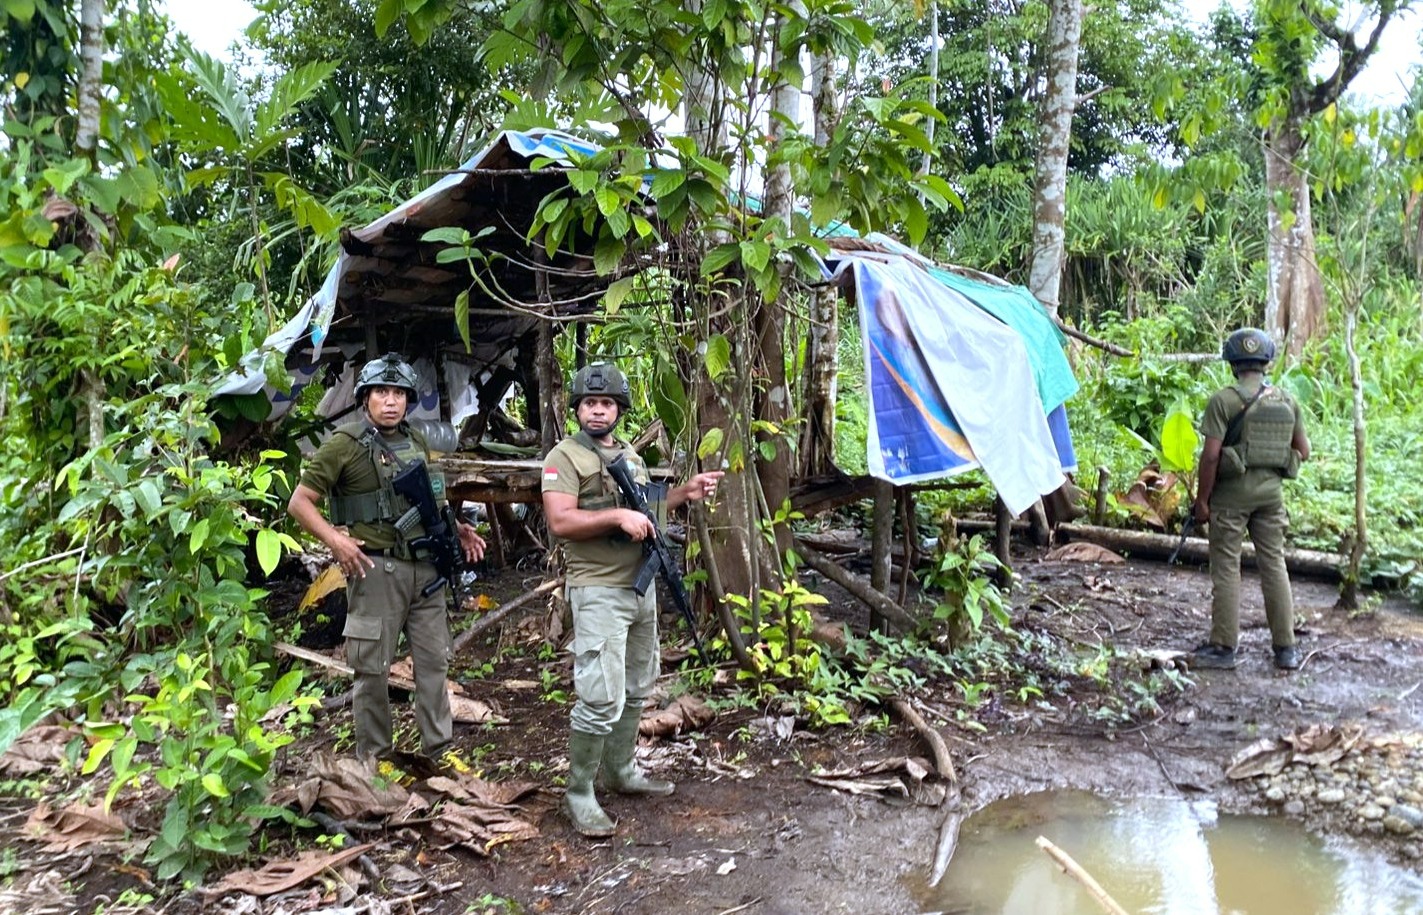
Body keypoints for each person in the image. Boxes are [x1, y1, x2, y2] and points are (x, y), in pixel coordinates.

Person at [540, 362, 724, 837]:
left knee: (638, 683)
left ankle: (620, 770)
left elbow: (646, 509)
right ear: (577, 409)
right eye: (589, 403)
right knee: (600, 695)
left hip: (638, 587)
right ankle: (579, 792)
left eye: (607, 404)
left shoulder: (630, 456)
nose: (598, 411)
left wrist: (685, 493)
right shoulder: (564, 457)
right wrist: (615, 517)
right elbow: (560, 521)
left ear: (619, 410)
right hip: (599, 588)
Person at [288, 353, 486, 761]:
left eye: (398, 393)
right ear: (366, 398)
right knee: (372, 670)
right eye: (381, 392)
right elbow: (300, 503)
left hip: (426, 570)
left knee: (433, 665)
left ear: (408, 399)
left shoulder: (416, 441)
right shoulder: (344, 445)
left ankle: (438, 753)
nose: (391, 401)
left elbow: (432, 502)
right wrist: (336, 541)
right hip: (377, 569)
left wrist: (458, 529)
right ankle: (376, 760)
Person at [1190, 328, 1310, 672]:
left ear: (1233, 363)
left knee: (1227, 568)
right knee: (1274, 565)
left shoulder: (1223, 401)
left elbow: (1210, 457)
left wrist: (1202, 501)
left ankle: (1223, 647)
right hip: (1271, 497)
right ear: (1266, 362)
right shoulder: (1286, 400)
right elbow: (1303, 450)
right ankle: (1286, 649)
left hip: (1231, 499)